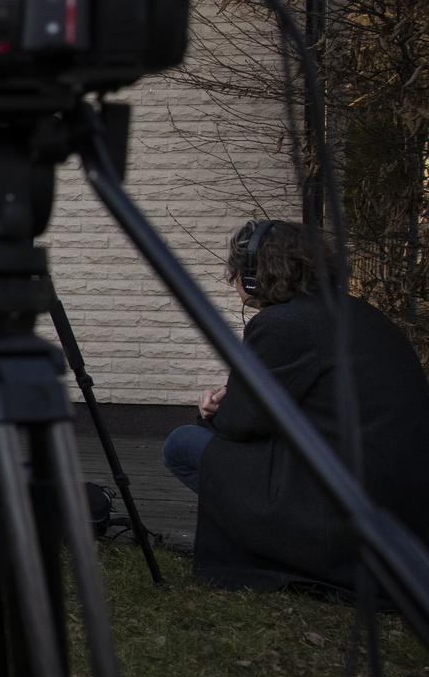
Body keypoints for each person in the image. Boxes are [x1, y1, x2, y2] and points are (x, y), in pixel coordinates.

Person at [164, 220, 429, 594]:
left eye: (237, 271)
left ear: (255, 274)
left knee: (183, 444)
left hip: (340, 515)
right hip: (396, 510)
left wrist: (217, 409)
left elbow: (241, 425)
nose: (234, 280)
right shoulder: (358, 313)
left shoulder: (284, 322)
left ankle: (271, 550)